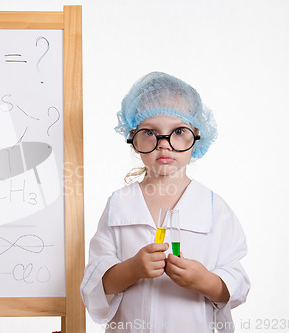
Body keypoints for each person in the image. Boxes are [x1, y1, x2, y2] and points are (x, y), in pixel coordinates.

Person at [80, 72, 250, 332]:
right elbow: (94, 284)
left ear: (196, 137)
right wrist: (132, 269)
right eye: (150, 132)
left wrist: (204, 280)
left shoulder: (215, 208)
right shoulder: (119, 204)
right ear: (133, 139)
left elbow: (236, 286)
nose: (164, 145)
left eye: (178, 132)